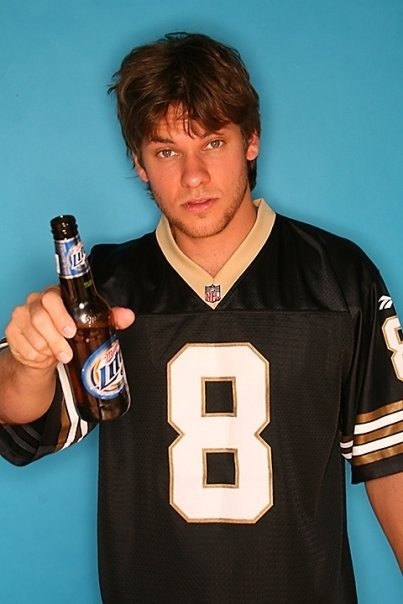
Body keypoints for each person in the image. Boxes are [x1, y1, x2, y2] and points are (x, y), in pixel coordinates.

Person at [0, 32, 402, 603]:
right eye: (167, 151)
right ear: (139, 163)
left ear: (251, 141)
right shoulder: (104, 287)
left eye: (212, 143)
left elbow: (392, 460)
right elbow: (17, 413)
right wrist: (26, 358)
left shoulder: (338, 278)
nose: (193, 176)